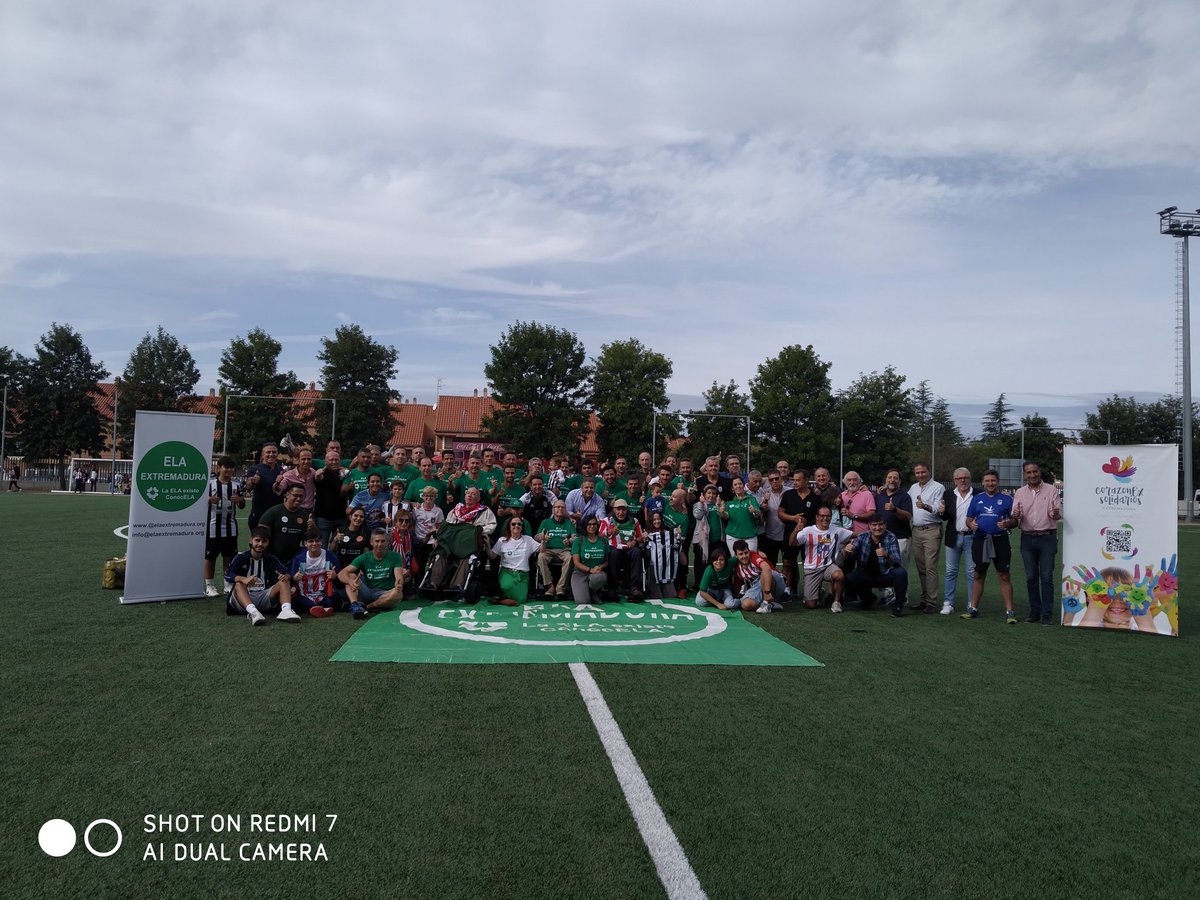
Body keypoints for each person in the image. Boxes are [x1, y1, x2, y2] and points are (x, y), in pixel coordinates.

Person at [960, 470, 1018, 624]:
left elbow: (1015, 521)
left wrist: (1007, 523)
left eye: (993, 480)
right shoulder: (977, 499)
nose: (990, 483)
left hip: (1001, 540)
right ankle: (973, 609)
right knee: (978, 574)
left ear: (997, 482)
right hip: (980, 540)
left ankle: (1010, 612)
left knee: (1004, 575)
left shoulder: (1007, 499)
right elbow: (968, 519)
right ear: (983, 482)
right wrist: (971, 524)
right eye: (987, 481)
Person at [1012, 461, 1062, 625]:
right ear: (1024, 475)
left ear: (1039, 472)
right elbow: (1015, 514)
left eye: (1035, 471)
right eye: (1028, 472)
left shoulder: (1051, 490)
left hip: (1047, 537)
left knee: (1046, 577)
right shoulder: (1019, 492)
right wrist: (1016, 514)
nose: (1032, 475)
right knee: (1031, 577)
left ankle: (1047, 615)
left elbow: (1055, 516)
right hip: (1027, 538)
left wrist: (1055, 513)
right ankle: (1034, 612)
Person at [224, 525, 297, 626]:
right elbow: (227, 574)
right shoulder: (241, 558)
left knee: (284, 581)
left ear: (268, 543)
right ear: (251, 541)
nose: (260, 544)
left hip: (264, 596)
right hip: (243, 598)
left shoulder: (271, 559)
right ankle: (254, 613)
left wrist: (286, 576)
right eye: (257, 540)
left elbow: (287, 573)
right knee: (238, 584)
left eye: (264, 541)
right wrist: (243, 579)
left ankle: (286, 611)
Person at [844, 515, 909, 617]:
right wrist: (846, 551)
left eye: (880, 525)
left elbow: (897, 562)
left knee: (901, 573)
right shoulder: (862, 537)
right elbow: (849, 555)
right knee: (848, 578)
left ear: (885, 525)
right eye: (874, 525)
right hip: (866, 573)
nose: (877, 528)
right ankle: (868, 598)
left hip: (885, 575)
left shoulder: (891, 537)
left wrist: (886, 555)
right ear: (869, 526)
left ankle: (898, 605)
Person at [793, 507, 855, 612]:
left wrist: (872, 531)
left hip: (828, 566)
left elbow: (855, 534)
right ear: (817, 517)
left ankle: (837, 602)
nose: (825, 518)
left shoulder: (836, 530)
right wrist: (795, 530)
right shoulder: (808, 531)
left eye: (828, 516)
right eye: (822, 516)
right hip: (812, 569)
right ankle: (819, 593)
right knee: (810, 605)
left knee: (839, 575)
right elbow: (792, 543)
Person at [338, 528, 409, 618]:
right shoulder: (364, 557)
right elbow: (341, 573)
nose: (380, 544)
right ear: (371, 542)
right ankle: (355, 605)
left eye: (383, 541)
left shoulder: (395, 557)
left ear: (387, 542)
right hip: (367, 591)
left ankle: (367, 607)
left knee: (398, 594)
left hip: (384, 594)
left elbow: (398, 575)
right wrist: (350, 581)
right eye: (377, 541)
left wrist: (399, 584)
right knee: (351, 576)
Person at [203, 455, 245, 597]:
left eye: (231, 467)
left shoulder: (236, 485)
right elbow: (199, 502)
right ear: (219, 468)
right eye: (225, 467)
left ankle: (227, 584)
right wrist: (209, 500)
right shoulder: (210, 484)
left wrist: (239, 500)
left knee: (229, 556)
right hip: (212, 526)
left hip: (230, 526)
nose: (228, 470)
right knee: (210, 557)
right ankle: (210, 586)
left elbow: (242, 504)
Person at [938, 467, 978, 615]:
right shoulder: (948, 494)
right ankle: (948, 603)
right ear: (955, 480)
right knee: (950, 571)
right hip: (953, 536)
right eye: (959, 478)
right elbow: (945, 517)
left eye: (965, 478)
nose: (963, 480)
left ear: (970, 478)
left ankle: (971, 602)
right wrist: (942, 511)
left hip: (972, 537)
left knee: (971, 572)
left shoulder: (978, 494)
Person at [908, 461, 945, 614]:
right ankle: (924, 600)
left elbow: (938, 510)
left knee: (930, 567)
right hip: (916, 530)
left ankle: (931, 602)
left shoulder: (938, 487)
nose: (920, 475)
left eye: (923, 472)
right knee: (921, 567)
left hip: (931, 529)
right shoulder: (913, 488)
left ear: (929, 471)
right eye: (917, 472)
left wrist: (925, 506)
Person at [779, 469, 821, 593]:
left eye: (798, 480)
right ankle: (785, 590)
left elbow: (819, 516)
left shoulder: (815, 497)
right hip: (791, 533)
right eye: (794, 480)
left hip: (809, 537)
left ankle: (811, 590)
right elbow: (780, 513)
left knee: (808, 564)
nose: (795, 483)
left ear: (806, 481)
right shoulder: (788, 495)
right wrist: (793, 518)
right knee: (787, 563)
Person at [288, 529, 341, 618]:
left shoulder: (330, 556)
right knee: (301, 601)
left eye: (317, 541)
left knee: (331, 601)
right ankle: (321, 609)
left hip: (324, 594)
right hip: (305, 594)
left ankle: (317, 609)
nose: (314, 544)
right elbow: (292, 577)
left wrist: (335, 576)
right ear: (305, 543)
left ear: (321, 542)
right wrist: (295, 577)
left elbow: (340, 576)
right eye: (311, 541)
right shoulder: (299, 558)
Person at [600, 499, 646, 600]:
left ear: (627, 510)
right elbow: (599, 537)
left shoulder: (634, 521)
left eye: (623, 510)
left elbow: (640, 536)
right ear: (614, 509)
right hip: (614, 548)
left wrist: (635, 542)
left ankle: (634, 588)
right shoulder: (607, 521)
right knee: (613, 554)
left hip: (629, 549)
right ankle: (613, 587)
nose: (621, 512)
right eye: (618, 509)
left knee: (637, 552)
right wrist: (610, 532)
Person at [491, 517, 540, 606]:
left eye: (519, 524)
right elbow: (492, 555)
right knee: (506, 586)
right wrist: (487, 545)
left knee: (521, 599)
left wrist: (544, 540)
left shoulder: (528, 539)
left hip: (522, 574)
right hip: (507, 572)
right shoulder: (502, 540)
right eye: (513, 524)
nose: (516, 526)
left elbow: (541, 550)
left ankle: (502, 600)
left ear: (522, 527)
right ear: (509, 527)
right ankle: (502, 599)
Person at [257, 484, 310, 564]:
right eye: (295, 495)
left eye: (301, 496)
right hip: (272, 560)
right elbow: (260, 536)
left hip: (293, 561)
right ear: (287, 495)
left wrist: (312, 527)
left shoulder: (304, 516)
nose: (298, 499)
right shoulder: (273, 512)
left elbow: (309, 540)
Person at [731, 540, 787, 614]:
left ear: (749, 551)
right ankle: (770, 605)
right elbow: (737, 587)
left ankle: (767, 601)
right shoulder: (738, 568)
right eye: (741, 554)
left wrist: (767, 593)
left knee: (764, 572)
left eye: (746, 552)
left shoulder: (754, 556)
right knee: (746, 605)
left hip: (777, 582)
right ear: (736, 555)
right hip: (759, 587)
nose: (744, 556)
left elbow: (766, 568)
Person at [535, 500, 575, 599]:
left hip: (564, 550)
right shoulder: (545, 522)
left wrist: (569, 541)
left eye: (562, 507)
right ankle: (549, 587)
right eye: (557, 507)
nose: (560, 509)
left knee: (570, 557)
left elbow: (575, 537)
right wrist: (542, 537)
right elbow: (536, 537)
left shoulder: (569, 523)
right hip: (548, 549)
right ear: (553, 510)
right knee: (541, 556)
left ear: (565, 510)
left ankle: (560, 588)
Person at [874, 469, 913, 564]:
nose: (892, 480)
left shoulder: (904, 496)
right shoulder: (879, 495)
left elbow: (908, 516)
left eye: (895, 478)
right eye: (889, 477)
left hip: (900, 538)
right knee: (882, 569)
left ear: (899, 481)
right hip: (881, 538)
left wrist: (894, 509)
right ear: (885, 480)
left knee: (899, 569)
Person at [691, 483, 725, 588]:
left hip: (717, 539)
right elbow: (698, 515)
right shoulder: (698, 504)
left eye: (714, 493)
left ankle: (714, 585)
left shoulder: (720, 504)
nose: (711, 495)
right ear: (704, 494)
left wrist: (719, 506)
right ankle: (699, 585)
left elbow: (723, 517)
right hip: (702, 540)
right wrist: (701, 503)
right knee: (701, 564)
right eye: (709, 493)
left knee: (716, 563)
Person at [643, 510, 683, 600]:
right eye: (654, 520)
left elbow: (677, 548)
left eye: (658, 519)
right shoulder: (647, 534)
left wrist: (678, 535)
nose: (657, 521)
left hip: (667, 567)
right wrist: (644, 539)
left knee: (671, 595)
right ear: (650, 521)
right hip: (653, 567)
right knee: (657, 596)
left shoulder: (668, 533)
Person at [570, 515, 610, 605]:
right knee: (582, 601)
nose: (592, 526)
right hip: (580, 573)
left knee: (601, 577)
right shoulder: (578, 541)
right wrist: (590, 570)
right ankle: (588, 593)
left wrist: (600, 567)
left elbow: (606, 561)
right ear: (585, 525)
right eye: (589, 524)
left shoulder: (603, 540)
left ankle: (592, 591)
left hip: (597, 572)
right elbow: (576, 563)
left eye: (594, 524)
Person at [312, 449, 349, 544]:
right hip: (323, 518)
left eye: (336, 460)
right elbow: (318, 478)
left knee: (340, 546)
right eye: (331, 460)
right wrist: (318, 475)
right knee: (322, 546)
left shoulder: (344, 474)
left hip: (341, 517)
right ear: (326, 461)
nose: (334, 462)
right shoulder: (321, 473)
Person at [244, 443, 284, 529]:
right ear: (262, 455)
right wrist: (253, 481)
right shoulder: (255, 469)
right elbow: (248, 486)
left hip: (277, 514)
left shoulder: (281, 470)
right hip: (260, 514)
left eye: (274, 452)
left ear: (277, 454)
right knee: (259, 542)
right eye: (268, 452)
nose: (271, 454)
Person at [722, 476, 762, 553]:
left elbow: (758, 514)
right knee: (735, 561)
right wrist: (722, 512)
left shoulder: (751, 499)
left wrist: (754, 511)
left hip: (750, 536)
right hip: (732, 536)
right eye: (735, 484)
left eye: (740, 484)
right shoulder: (729, 502)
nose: (738, 486)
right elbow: (726, 516)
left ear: (743, 486)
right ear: (732, 488)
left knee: (751, 560)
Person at [274, 446, 316, 512]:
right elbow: (278, 489)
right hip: (294, 511)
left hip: (310, 511)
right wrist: (277, 483)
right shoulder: (289, 475)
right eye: (303, 459)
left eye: (309, 459)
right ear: (298, 460)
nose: (306, 461)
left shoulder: (313, 472)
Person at [411, 486, 445, 569]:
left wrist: (437, 540)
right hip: (418, 540)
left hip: (431, 542)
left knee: (428, 564)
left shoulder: (438, 511)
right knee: (418, 563)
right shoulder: (417, 509)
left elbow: (440, 527)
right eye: (426, 495)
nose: (429, 498)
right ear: (422, 496)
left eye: (431, 496)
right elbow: (412, 524)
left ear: (435, 497)